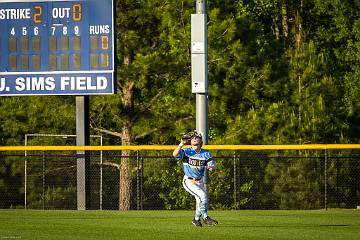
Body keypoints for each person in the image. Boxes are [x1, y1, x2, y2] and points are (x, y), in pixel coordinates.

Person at [172, 131, 218, 227]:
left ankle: (196, 220)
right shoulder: (186, 151)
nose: (195, 138)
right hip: (189, 181)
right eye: (193, 137)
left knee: (200, 201)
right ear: (190, 141)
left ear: (201, 140)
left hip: (200, 181)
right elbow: (175, 154)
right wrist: (181, 143)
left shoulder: (206, 153)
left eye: (197, 137)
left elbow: (211, 164)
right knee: (203, 196)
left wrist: (211, 167)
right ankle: (205, 217)